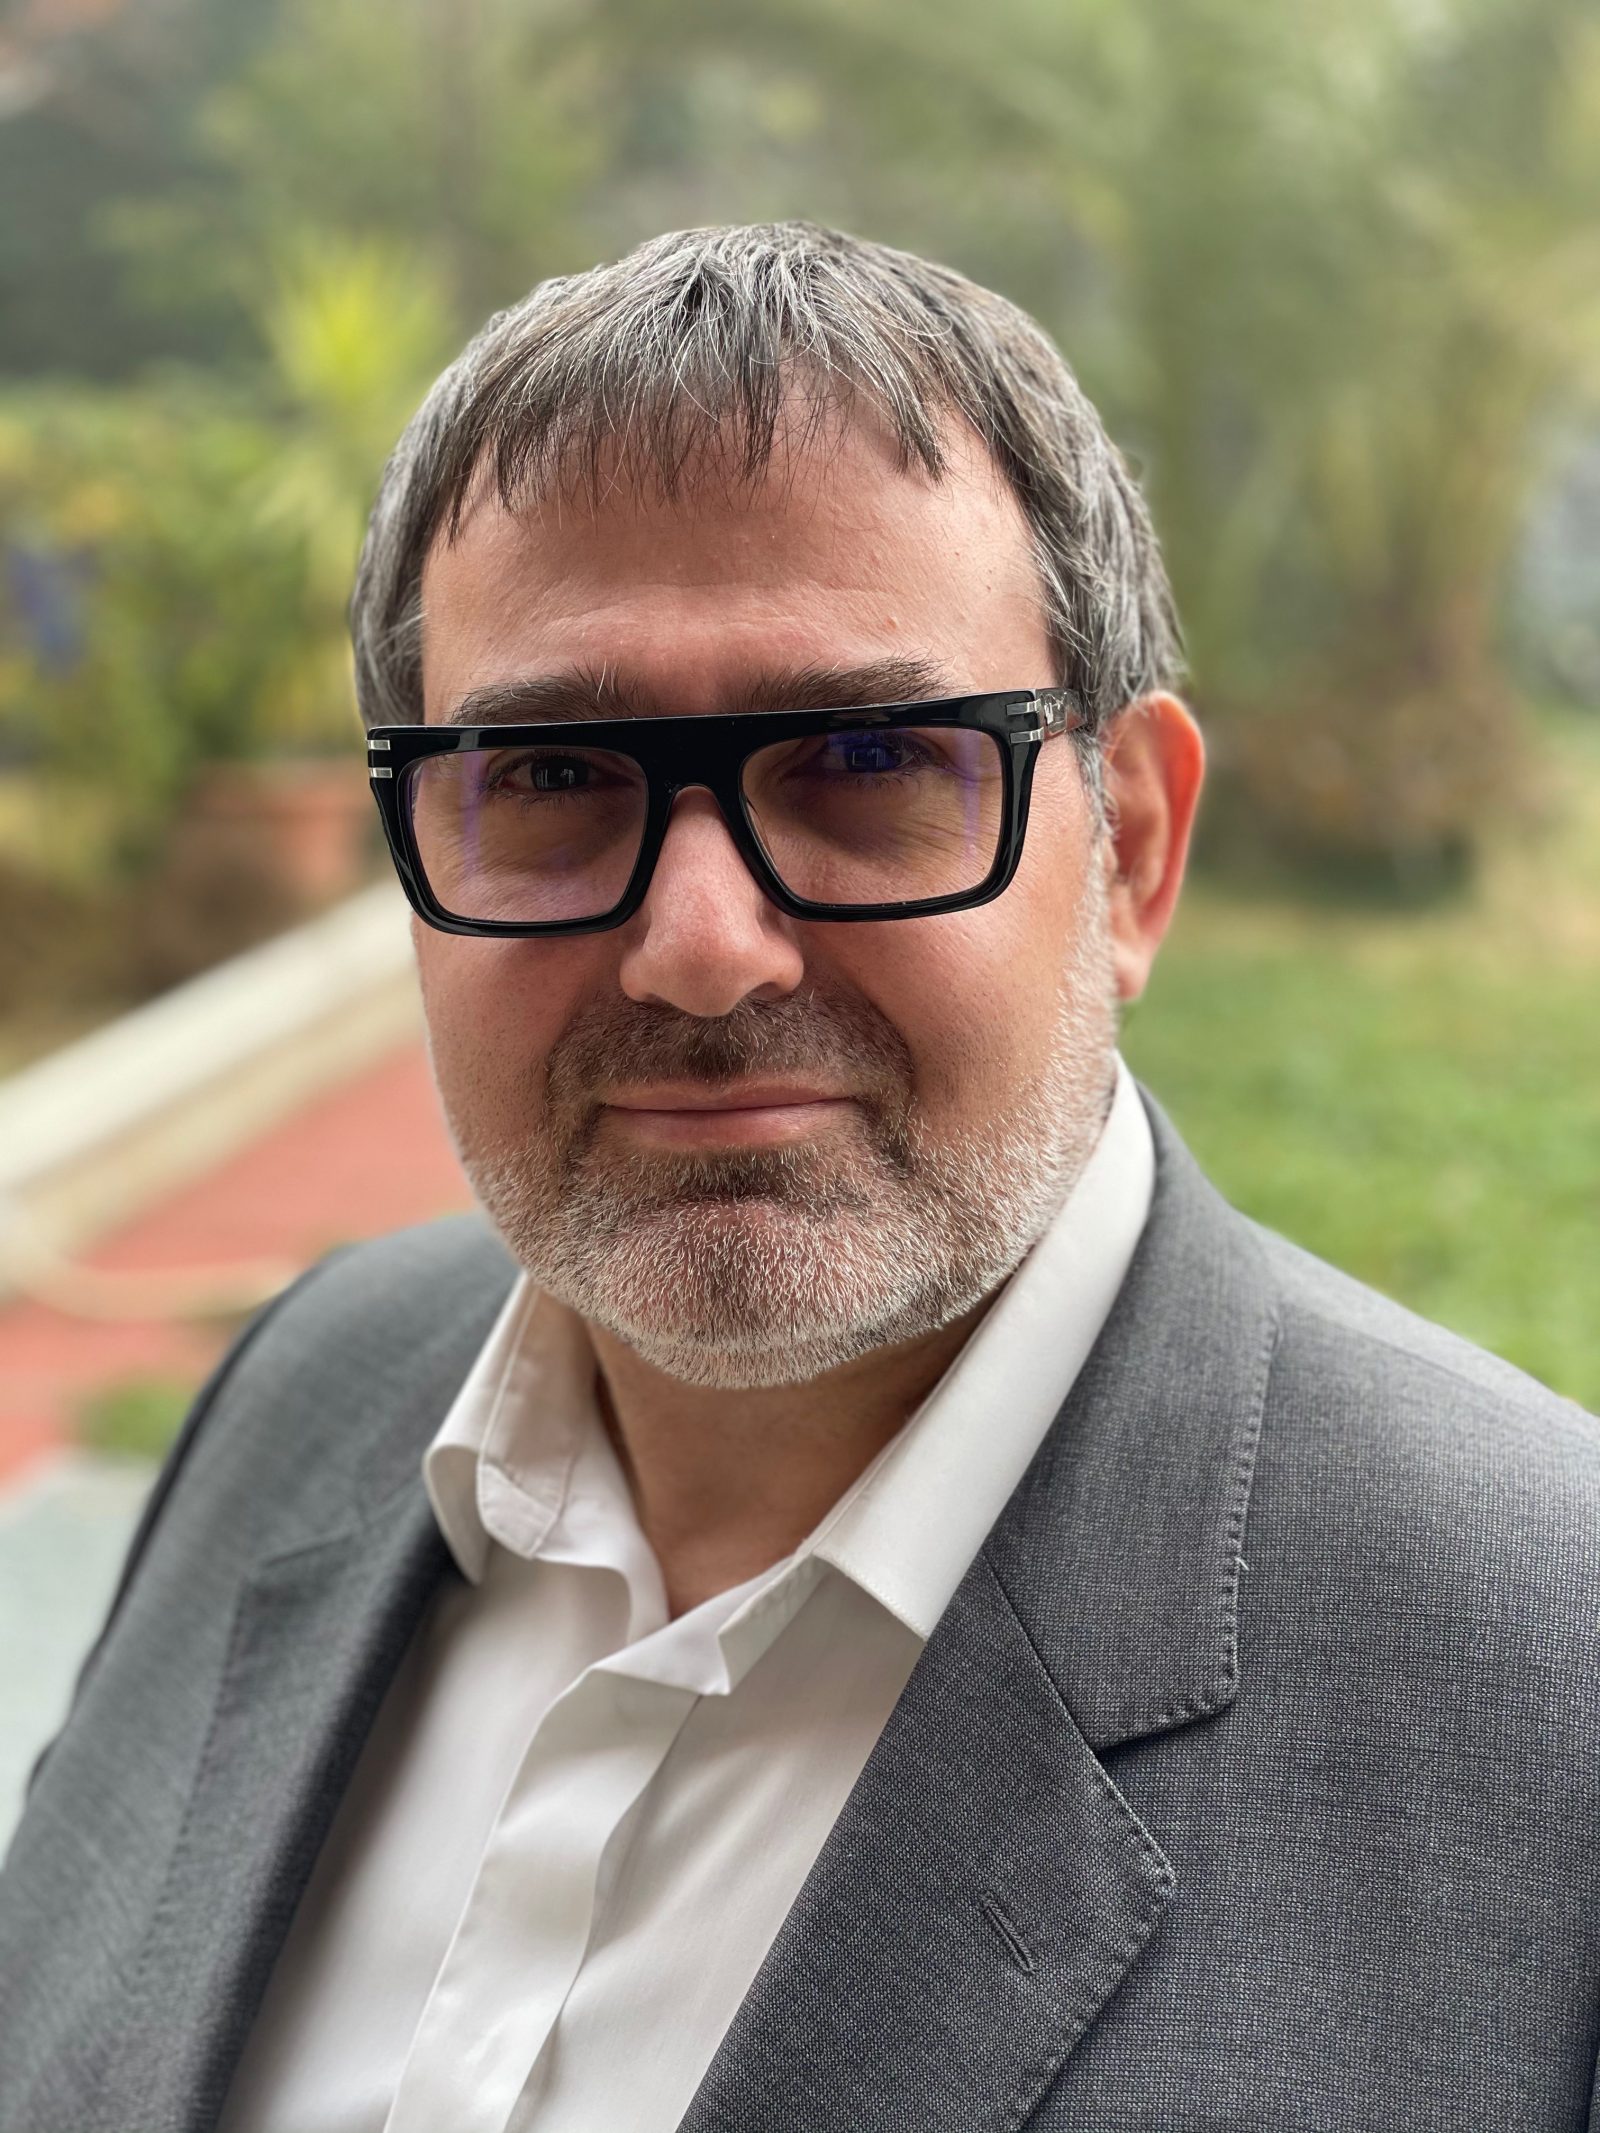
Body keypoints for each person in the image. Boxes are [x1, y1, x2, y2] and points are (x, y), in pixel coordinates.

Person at [2, 221, 1597, 2133]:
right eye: (554, 779)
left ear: (1134, 849)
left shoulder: (1550, 1700)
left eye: (862, 757)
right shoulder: (308, 1387)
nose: (700, 948)